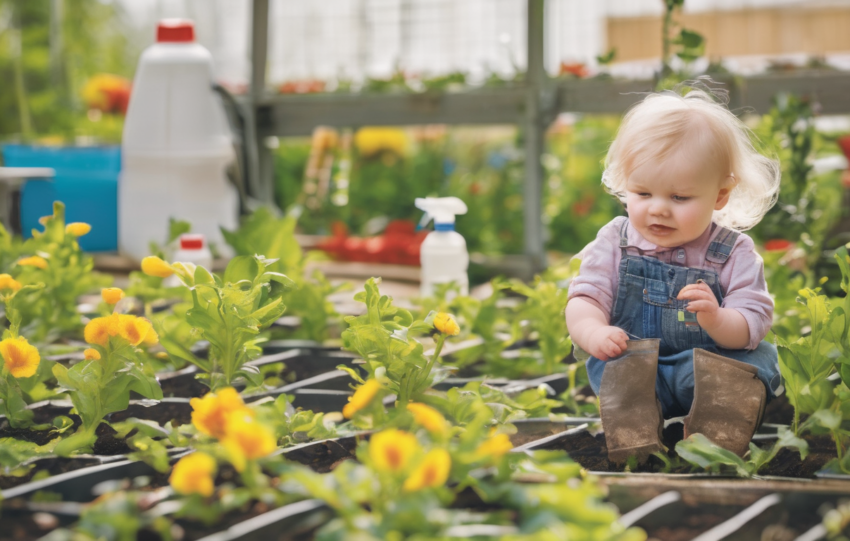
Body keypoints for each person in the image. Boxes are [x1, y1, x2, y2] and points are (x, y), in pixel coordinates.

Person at [565, 86, 783, 464]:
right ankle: (636, 439)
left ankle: (713, 445)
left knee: (755, 363)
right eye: (643, 193)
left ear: (720, 195)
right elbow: (586, 298)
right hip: (638, 368)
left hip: (708, 368)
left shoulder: (733, 252)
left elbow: (753, 323)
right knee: (612, 366)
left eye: (680, 198)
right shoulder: (614, 242)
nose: (659, 210)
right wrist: (594, 332)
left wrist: (717, 318)